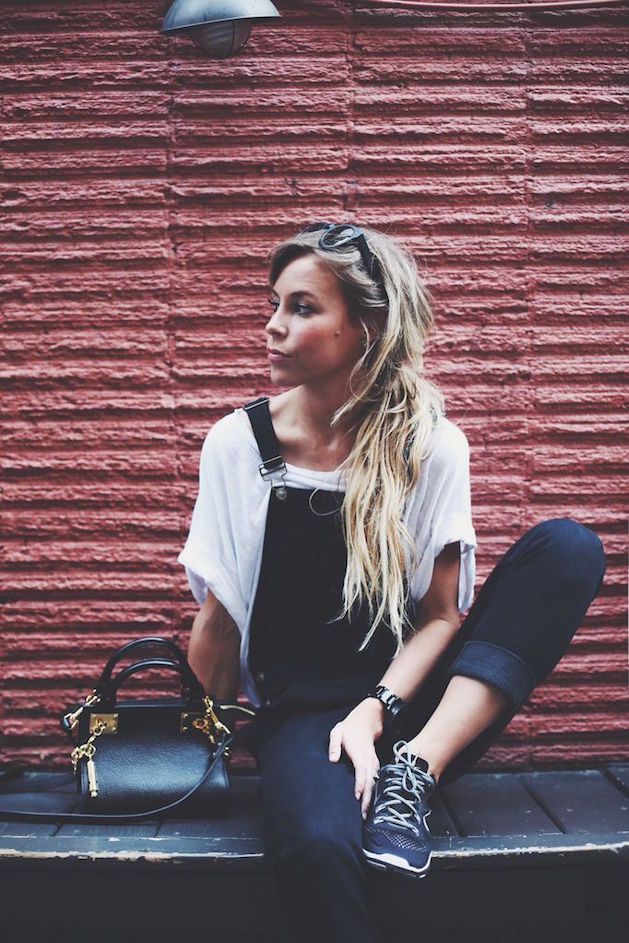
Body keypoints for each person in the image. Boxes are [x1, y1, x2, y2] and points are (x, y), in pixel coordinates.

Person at [178, 222, 606, 943]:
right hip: (308, 717)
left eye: (302, 307)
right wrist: (195, 751)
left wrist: (380, 711)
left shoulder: (430, 444)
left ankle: (413, 776)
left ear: (366, 327)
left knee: (567, 547)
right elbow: (221, 620)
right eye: (274, 303)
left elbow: (441, 615)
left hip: (424, 713)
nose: (272, 326)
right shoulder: (238, 445)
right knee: (316, 846)